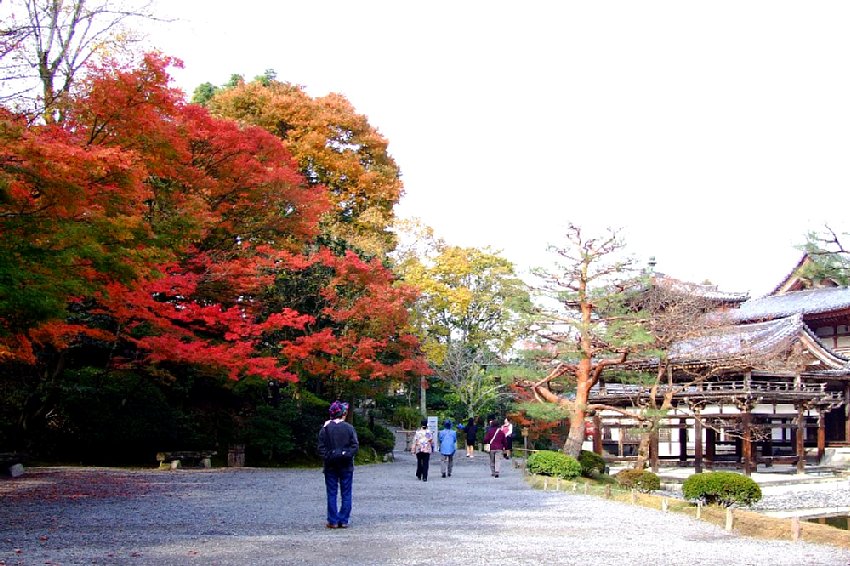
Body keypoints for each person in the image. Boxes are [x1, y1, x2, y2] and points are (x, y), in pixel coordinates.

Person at [317, 400, 359, 529]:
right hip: (346, 464)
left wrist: (328, 456)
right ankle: (344, 520)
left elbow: (321, 448)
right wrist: (347, 454)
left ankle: (333, 520)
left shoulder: (325, 429)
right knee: (346, 492)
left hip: (330, 464)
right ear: (342, 413)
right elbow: (355, 445)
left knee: (332, 492)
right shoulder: (349, 428)